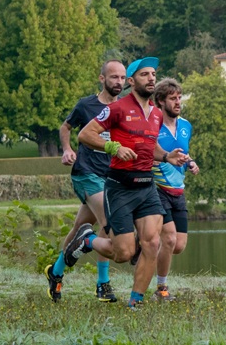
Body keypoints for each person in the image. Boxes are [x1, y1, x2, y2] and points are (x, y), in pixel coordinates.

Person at [62, 57, 190, 310]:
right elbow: (85, 134)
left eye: (153, 74)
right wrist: (113, 147)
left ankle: (135, 302)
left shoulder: (156, 113)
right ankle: (87, 241)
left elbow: (150, 146)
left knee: (152, 243)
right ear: (132, 81)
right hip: (120, 187)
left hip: (147, 187)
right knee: (124, 253)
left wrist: (167, 156)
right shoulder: (117, 108)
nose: (151, 78)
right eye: (144, 74)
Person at [46, 60, 126, 303]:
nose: (119, 82)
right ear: (102, 79)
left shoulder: (124, 108)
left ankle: (56, 272)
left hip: (111, 176)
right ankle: (103, 284)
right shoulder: (86, 105)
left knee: (80, 226)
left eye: (123, 78)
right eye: (114, 77)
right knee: (108, 224)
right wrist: (67, 149)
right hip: (86, 173)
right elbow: (65, 127)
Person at [150, 77, 200, 301]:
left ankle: (145, 245)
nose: (178, 102)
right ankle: (161, 289)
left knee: (178, 245)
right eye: (172, 98)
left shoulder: (186, 126)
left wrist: (191, 162)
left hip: (178, 191)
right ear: (161, 101)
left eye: (179, 97)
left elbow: (182, 152)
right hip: (157, 188)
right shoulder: (153, 125)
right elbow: (147, 153)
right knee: (169, 239)